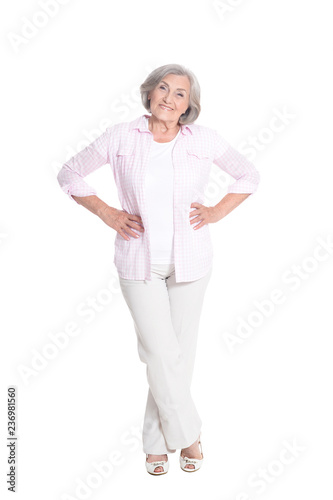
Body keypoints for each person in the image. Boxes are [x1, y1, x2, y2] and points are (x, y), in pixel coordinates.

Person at [57, 63, 260, 475]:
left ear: (189, 105)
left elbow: (248, 174)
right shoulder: (121, 136)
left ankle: (155, 442)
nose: (169, 98)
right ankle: (189, 436)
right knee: (161, 352)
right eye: (163, 89)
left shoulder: (203, 140)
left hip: (193, 261)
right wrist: (107, 212)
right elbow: (69, 172)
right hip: (138, 260)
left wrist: (217, 211)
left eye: (180, 93)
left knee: (176, 357)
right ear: (149, 94)